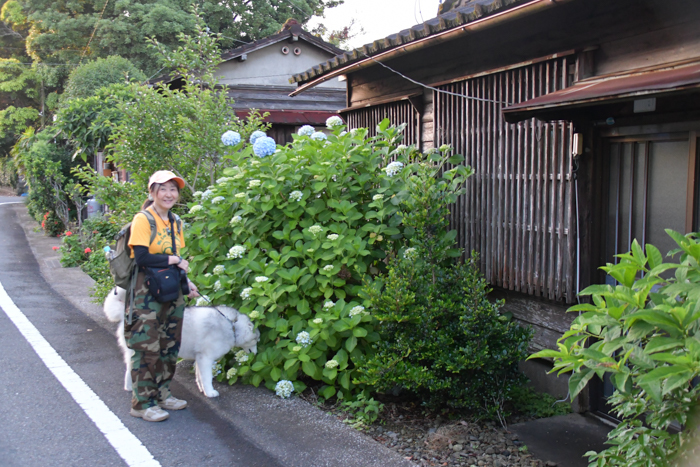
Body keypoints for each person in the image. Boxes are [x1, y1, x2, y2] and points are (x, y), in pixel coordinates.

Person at [125, 170, 199, 422]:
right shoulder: (143, 219)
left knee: (170, 345)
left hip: (172, 290)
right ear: (152, 192)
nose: (169, 194)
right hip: (146, 293)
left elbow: (177, 261)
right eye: (163, 188)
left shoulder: (176, 221)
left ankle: (163, 395)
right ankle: (142, 403)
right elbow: (143, 257)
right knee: (147, 347)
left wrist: (187, 283)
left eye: (173, 189)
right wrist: (175, 259)